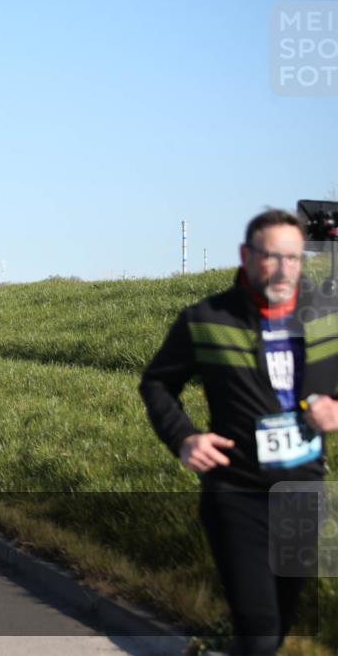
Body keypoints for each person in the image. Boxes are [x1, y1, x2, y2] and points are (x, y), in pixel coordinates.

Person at [139, 209, 338, 655]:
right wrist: (184, 437)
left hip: (303, 489)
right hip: (236, 491)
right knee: (260, 625)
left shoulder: (327, 317)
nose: (284, 268)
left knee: (279, 621)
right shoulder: (207, 320)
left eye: (293, 257)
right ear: (247, 256)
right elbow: (156, 383)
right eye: (272, 256)